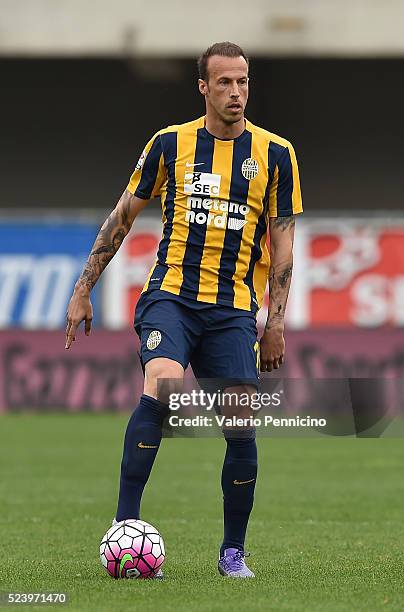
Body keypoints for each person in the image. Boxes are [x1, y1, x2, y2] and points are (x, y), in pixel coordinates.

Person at [65, 41, 302, 578]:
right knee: (162, 386)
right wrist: (84, 287)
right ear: (204, 87)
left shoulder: (277, 154)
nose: (236, 92)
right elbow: (123, 216)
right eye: (224, 82)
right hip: (170, 298)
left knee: (241, 425)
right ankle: (125, 526)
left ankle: (232, 553)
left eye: (243, 82)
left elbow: (283, 244)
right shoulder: (170, 144)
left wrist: (276, 322)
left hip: (233, 312)